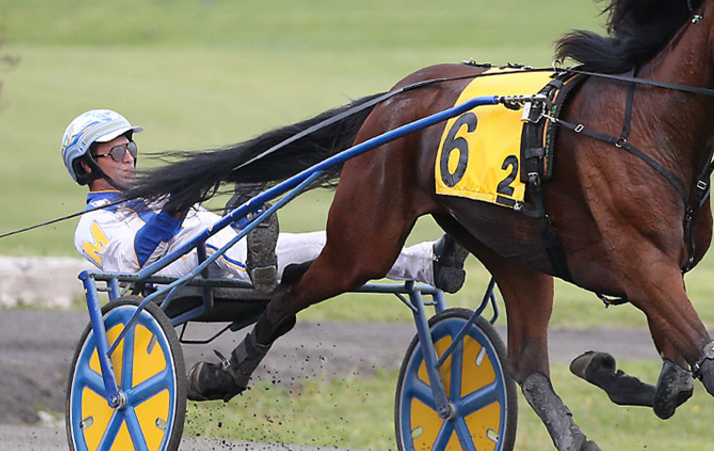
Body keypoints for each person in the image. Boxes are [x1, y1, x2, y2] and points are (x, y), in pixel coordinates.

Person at [61, 109, 469, 399]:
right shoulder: (92, 225)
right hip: (168, 279)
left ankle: (429, 265)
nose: (129, 158)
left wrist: (240, 214)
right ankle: (260, 267)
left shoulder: (157, 195)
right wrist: (176, 208)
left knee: (331, 246)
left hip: (221, 258)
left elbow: (226, 233)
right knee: (211, 236)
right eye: (116, 153)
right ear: (85, 168)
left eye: (130, 148)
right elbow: (134, 259)